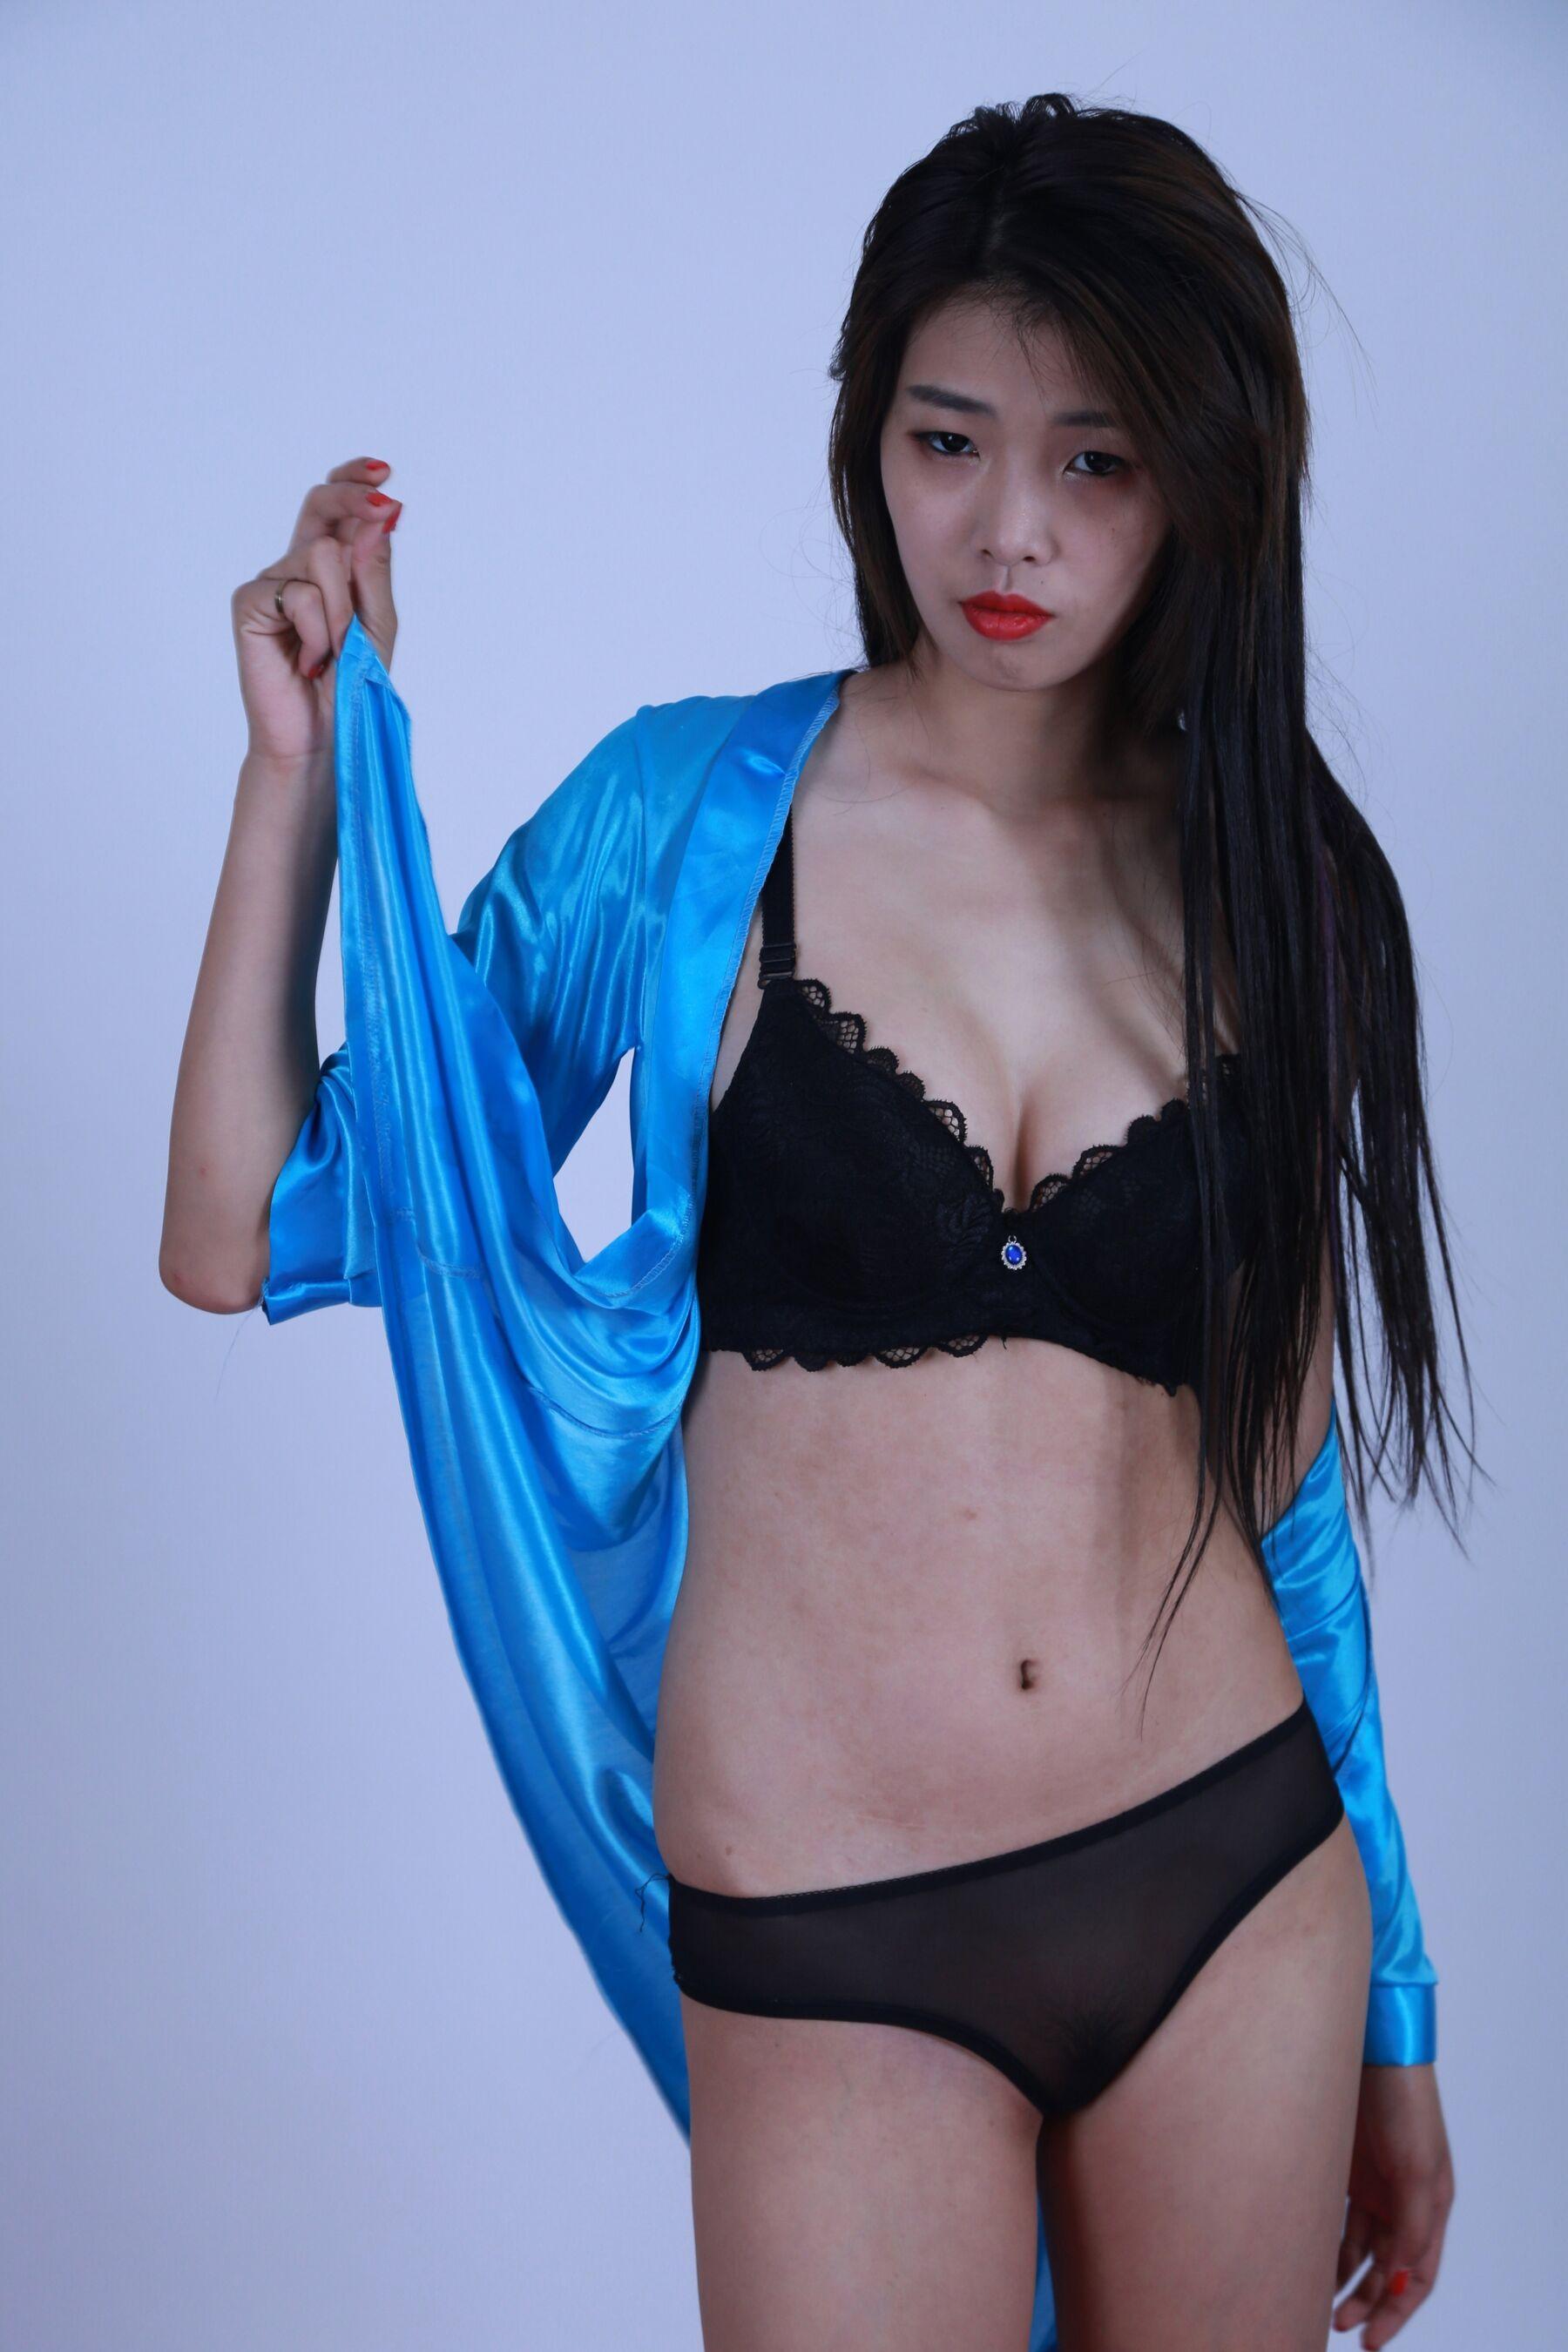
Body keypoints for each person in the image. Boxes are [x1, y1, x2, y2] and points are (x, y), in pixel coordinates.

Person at [162, 91, 1474, 2352]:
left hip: (1234, 1876)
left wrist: (1403, 2004)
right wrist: (293, 778)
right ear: (872, 437)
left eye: (1095, 461)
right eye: (949, 439)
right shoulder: (688, 825)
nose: (1009, 527)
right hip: (832, 1925)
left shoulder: (1277, 884)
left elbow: (1292, 1491)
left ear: (1202, 483)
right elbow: (243, 1227)